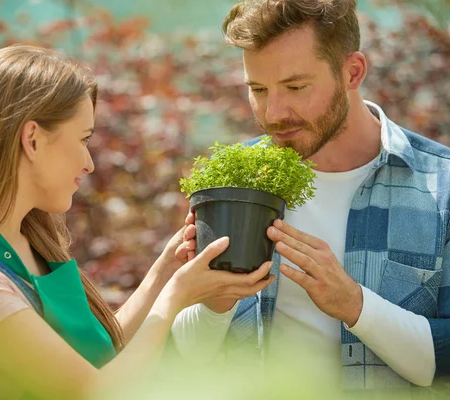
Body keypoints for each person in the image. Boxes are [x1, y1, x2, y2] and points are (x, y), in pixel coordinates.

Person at [0, 45, 276, 400]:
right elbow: (94, 392)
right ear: (33, 140)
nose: (89, 163)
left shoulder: (29, 243)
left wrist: (165, 270)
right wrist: (176, 295)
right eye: (83, 139)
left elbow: (99, 357)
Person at [171, 0, 450, 395]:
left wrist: (354, 304)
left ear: (352, 72)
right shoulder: (238, 179)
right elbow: (186, 355)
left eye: (296, 87)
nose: (274, 112)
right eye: (258, 89)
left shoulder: (443, 186)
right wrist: (216, 302)